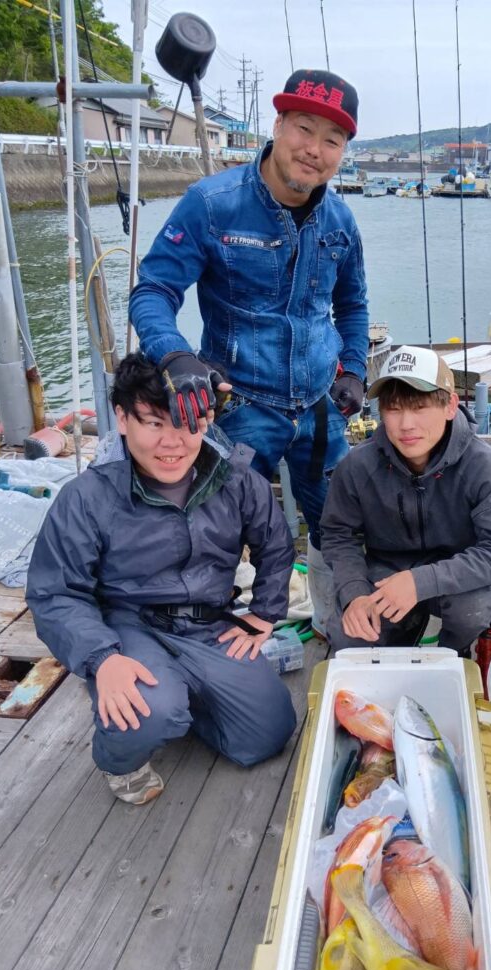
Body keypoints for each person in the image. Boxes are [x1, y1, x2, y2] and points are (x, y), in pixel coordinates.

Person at [128, 68, 369, 636]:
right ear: (278, 124)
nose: (314, 149)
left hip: (320, 409)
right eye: (304, 128)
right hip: (240, 407)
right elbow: (153, 290)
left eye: (332, 139)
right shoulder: (212, 204)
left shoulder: (341, 220)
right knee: (217, 530)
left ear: (343, 151)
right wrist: (175, 356)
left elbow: (353, 305)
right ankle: (213, 638)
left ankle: (339, 631)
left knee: (340, 528)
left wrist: (355, 369)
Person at [26, 354, 297, 806]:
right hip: (128, 626)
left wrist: (265, 613)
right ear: (122, 419)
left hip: (210, 623)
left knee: (269, 732)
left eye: (188, 423)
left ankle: (182, 696)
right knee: (148, 713)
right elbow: (55, 593)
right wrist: (102, 658)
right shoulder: (86, 498)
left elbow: (275, 545)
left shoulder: (236, 480)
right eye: (153, 423)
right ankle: (120, 759)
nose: (172, 442)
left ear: (207, 419)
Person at [320, 346, 491, 654]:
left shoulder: (483, 465)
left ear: (450, 406)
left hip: (457, 571)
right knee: (349, 636)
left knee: (471, 611)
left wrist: (420, 582)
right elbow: (338, 535)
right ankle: (398, 644)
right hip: (385, 571)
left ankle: (452, 655)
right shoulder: (356, 466)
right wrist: (354, 593)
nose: (406, 425)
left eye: (419, 408)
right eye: (394, 409)